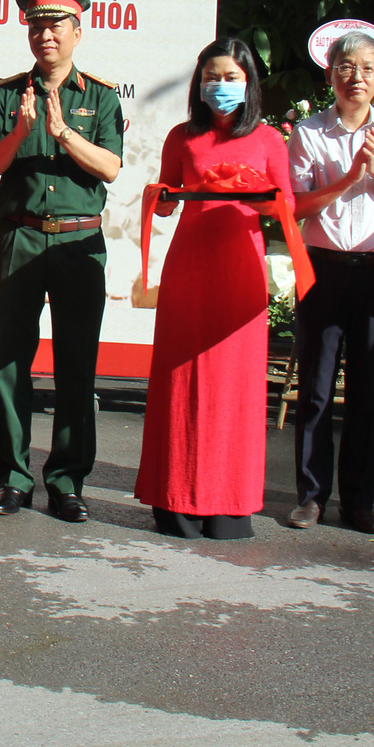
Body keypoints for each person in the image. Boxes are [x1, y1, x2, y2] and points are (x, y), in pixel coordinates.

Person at [0, 0, 123, 522]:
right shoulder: (6, 95)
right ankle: (13, 479)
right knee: (12, 364)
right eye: (36, 25)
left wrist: (63, 134)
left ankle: (67, 480)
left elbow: (111, 166)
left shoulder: (100, 98)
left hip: (80, 240)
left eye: (56, 24)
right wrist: (19, 134)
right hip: (19, 235)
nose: (46, 34)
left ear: (78, 31)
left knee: (76, 366)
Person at [133, 38, 293, 540]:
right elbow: (163, 202)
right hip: (190, 269)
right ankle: (174, 500)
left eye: (230, 78)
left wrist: (258, 196)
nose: (219, 87)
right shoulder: (183, 137)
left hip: (241, 269)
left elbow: (285, 208)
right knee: (182, 381)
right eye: (210, 78)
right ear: (198, 85)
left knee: (235, 387)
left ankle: (230, 502)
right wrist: (158, 196)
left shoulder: (268, 140)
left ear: (248, 84)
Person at [286, 30, 374, 534]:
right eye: (346, 68)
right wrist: (347, 179)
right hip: (322, 271)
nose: (356, 78)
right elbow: (295, 207)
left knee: (368, 394)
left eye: (367, 69)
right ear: (330, 75)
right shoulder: (308, 133)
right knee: (317, 391)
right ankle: (310, 496)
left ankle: (359, 502)